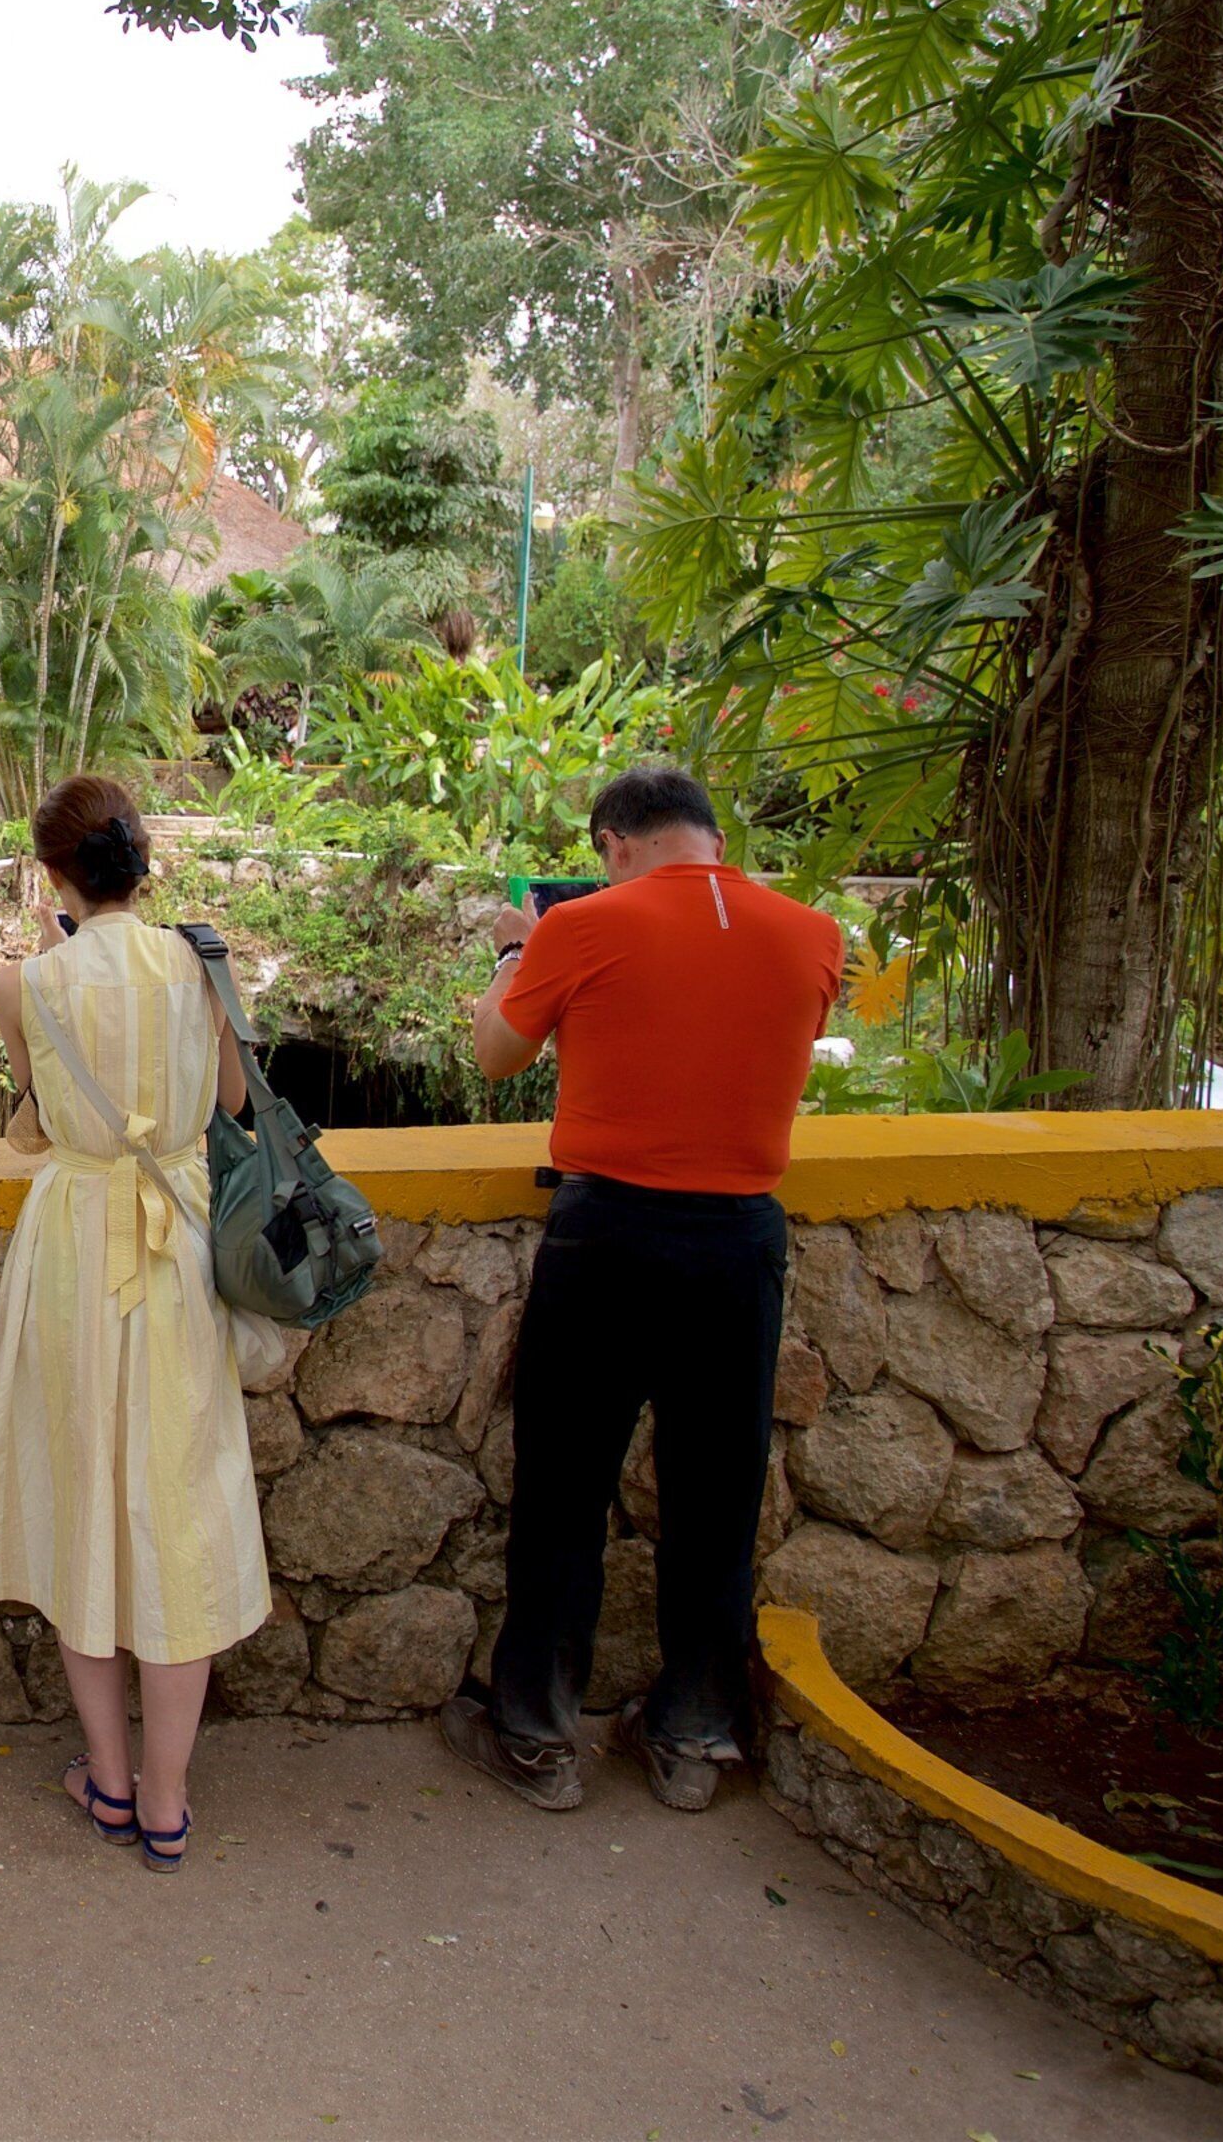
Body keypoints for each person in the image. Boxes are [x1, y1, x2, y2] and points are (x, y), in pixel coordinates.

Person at [449, 766, 843, 1813]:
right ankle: (693, 1736)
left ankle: (536, 1736)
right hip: (740, 1240)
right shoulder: (814, 936)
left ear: (614, 846)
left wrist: (515, 950)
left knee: (563, 1490)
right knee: (717, 1498)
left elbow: (495, 1054)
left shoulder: (581, 928)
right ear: (713, 838)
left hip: (610, 1233)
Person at [0, 775, 265, 1872]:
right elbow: (233, 1104)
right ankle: (169, 1800)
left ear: (55, 875)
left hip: (76, 1246)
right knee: (179, 1504)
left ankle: (110, 1780)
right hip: (177, 1244)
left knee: (82, 1493)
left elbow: (39, 1110)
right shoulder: (203, 964)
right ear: (143, 859)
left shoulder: (23, 983)